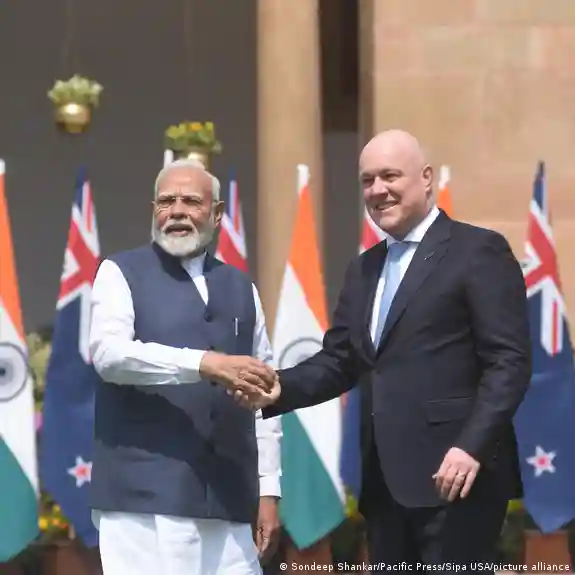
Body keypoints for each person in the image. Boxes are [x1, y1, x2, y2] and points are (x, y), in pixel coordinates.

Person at [244, 130, 532, 567]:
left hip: (456, 480)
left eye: (390, 176)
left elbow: (508, 362)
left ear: (426, 178)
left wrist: (471, 446)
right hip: (384, 488)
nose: (378, 190)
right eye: (368, 180)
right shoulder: (364, 269)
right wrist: (274, 388)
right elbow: (341, 360)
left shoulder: (477, 251)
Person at [88, 158, 282, 575]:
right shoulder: (120, 272)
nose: (177, 211)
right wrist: (203, 363)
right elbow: (109, 355)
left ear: (217, 213)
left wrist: (268, 489)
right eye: (166, 201)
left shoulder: (242, 287)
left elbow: (264, 394)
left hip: (229, 500)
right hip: (144, 503)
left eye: (191, 201)